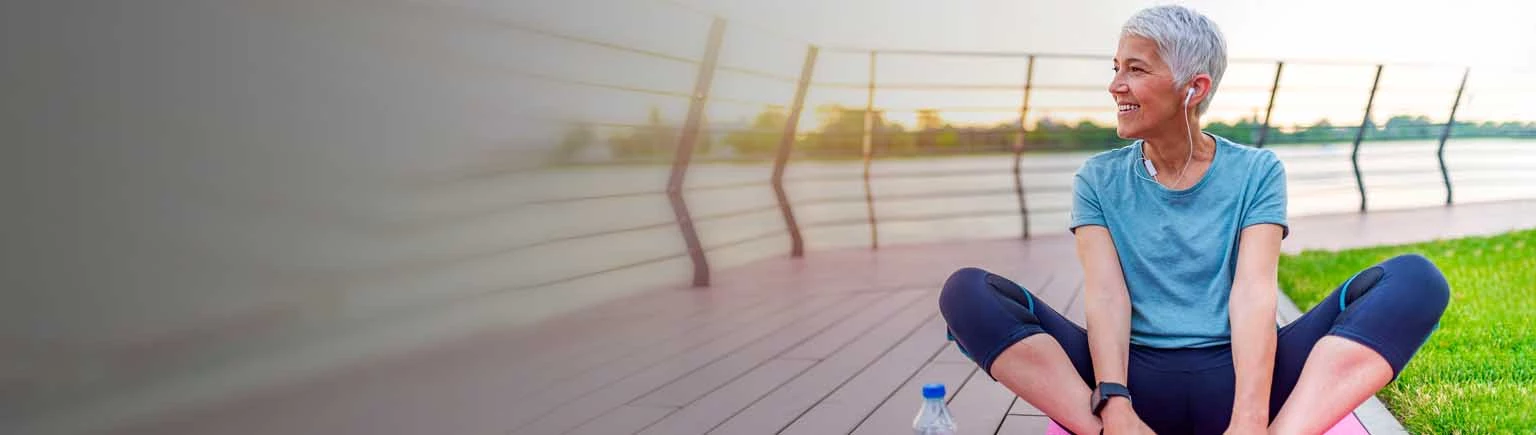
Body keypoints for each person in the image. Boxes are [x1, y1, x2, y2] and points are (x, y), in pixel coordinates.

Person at [937, 5, 1450, 435]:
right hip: (1132, 383)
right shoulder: (1097, 178)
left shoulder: (1256, 169)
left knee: (1416, 279)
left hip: (1241, 376)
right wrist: (1115, 402)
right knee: (966, 293)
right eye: (1115, 68)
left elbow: (1253, 291)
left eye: (1135, 69)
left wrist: (1249, 416)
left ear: (1193, 88)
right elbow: (1106, 295)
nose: (1115, 85)